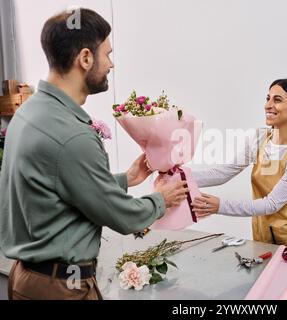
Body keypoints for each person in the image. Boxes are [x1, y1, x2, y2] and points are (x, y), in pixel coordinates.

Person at [0, 8, 188, 300]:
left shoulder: (30, 113)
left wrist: (126, 178)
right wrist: (162, 199)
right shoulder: (73, 135)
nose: (111, 65)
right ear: (85, 58)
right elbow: (122, 216)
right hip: (60, 288)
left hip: (27, 278)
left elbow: (61, 186)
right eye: (107, 54)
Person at [192, 78, 287, 251]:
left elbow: (271, 204)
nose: (268, 105)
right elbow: (223, 173)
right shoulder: (259, 138)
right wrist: (177, 174)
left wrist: (220, 205)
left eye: (277, 100)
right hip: (262, 233)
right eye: (268, 98)